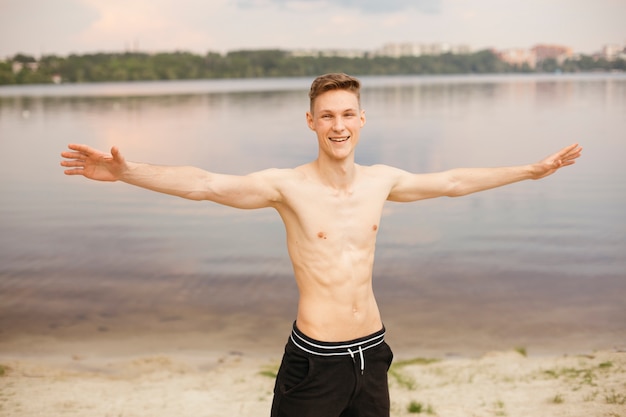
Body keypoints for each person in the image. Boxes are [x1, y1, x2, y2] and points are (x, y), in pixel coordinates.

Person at [60, 73, 582, 417]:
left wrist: (531, 172)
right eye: (327, 115)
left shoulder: (381, 181)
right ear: (312, 122)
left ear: (361, 119)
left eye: (348, 114)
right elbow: (205, 184)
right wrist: (129, 173)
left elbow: (452, 181)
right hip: (316, 361)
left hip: (372, 354)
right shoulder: (287, 186)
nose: (339, 125)